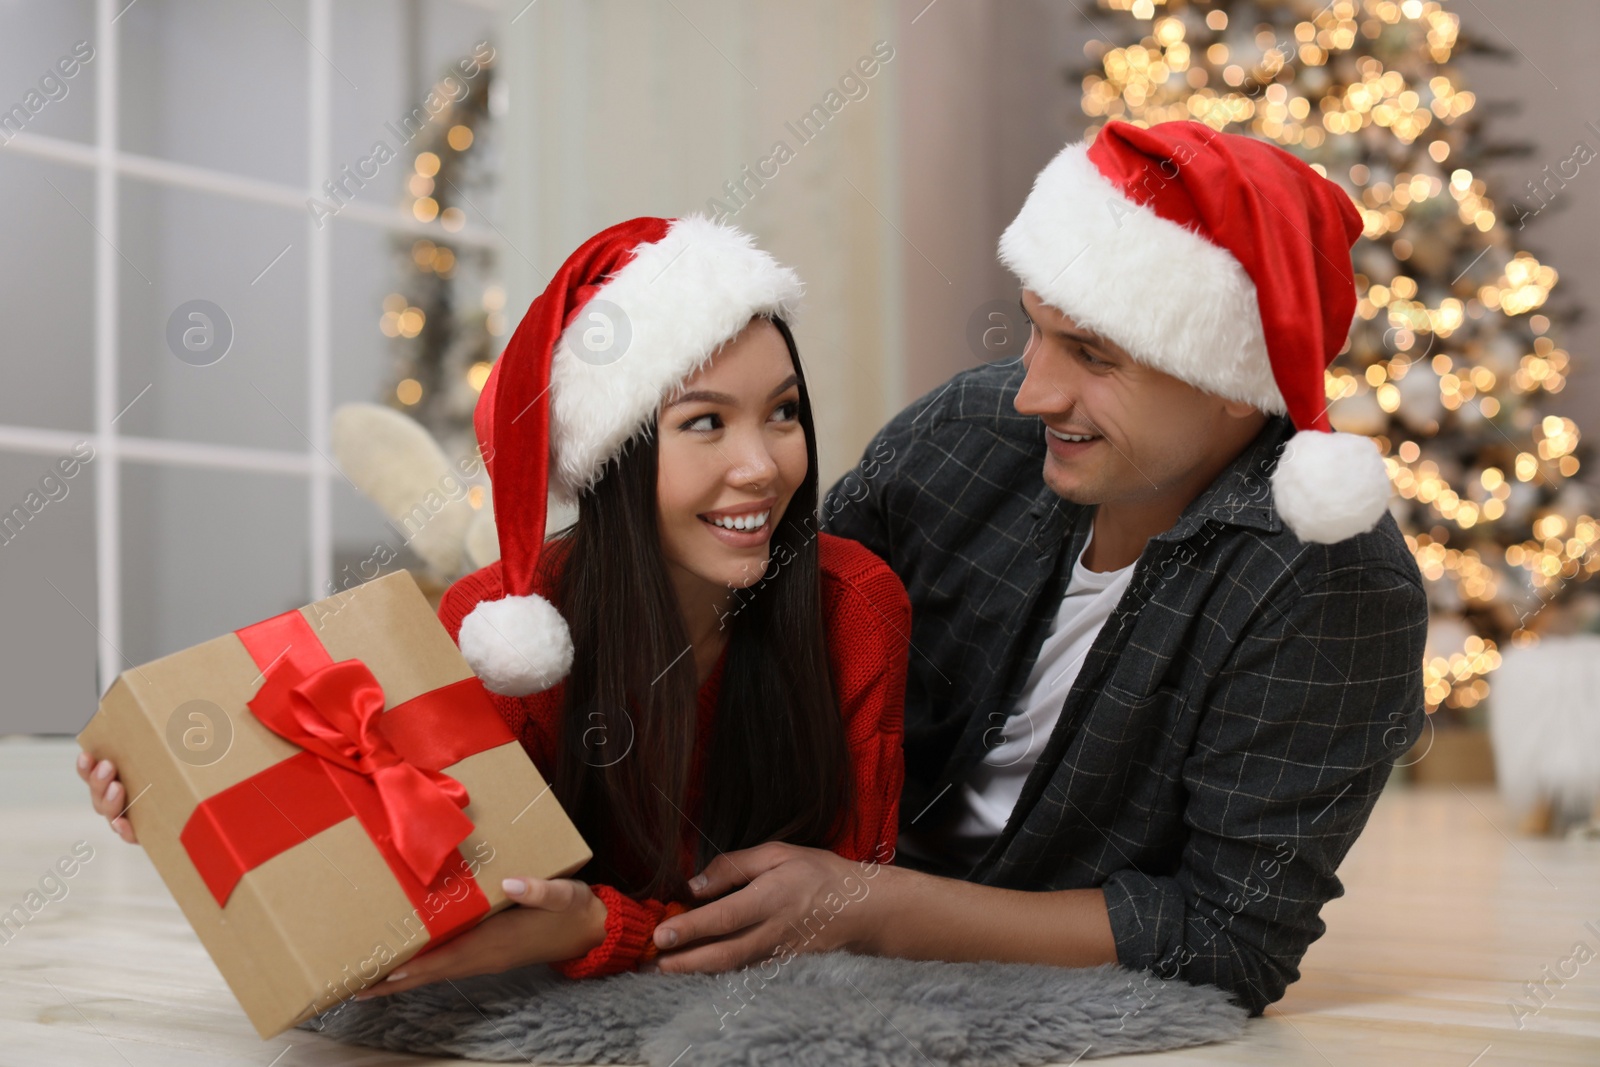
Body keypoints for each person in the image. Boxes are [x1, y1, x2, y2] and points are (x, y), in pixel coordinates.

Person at [642, 121, 1429, 1018]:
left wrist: (868, 910)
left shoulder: (1328, 585)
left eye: (1093, 356)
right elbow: (772, 628)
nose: (1032, 392)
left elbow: (1227, 936)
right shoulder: (966, 438)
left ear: (1230, 377)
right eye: (1036, 331)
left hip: (940, 948)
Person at [79, 215, 911, 988]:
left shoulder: (856, 608)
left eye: (784, 413)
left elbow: (829, 919)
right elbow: (430, 875)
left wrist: (592, 926)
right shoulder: (499, 630)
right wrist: (186, 795)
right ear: (612, 457)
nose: (763, 466)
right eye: (704, 423)